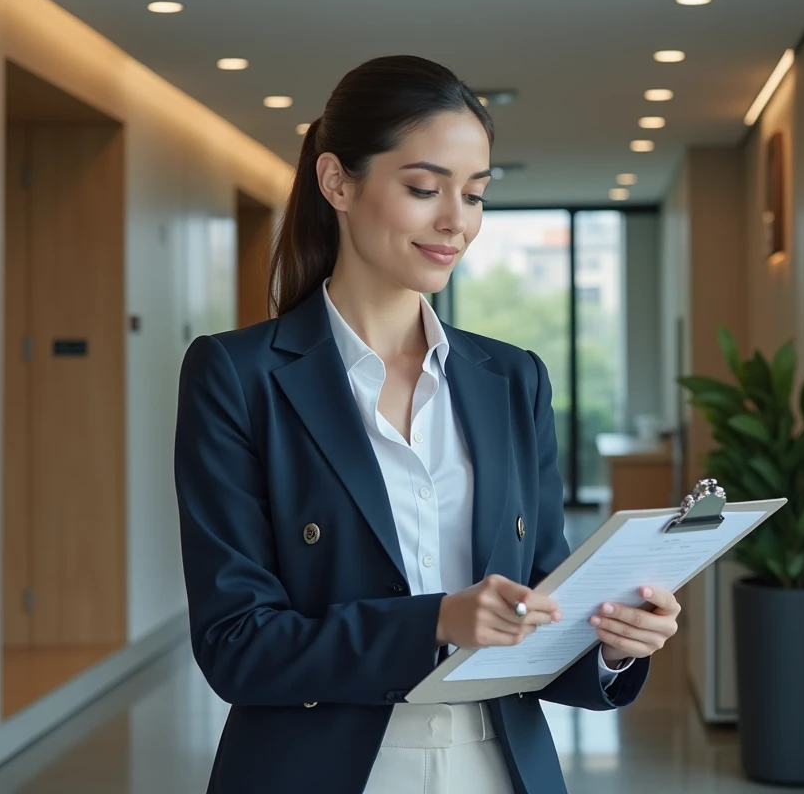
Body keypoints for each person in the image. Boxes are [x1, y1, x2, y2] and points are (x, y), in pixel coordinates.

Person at [173, 55, 681, 794]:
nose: (456, 221)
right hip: (318, 770)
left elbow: (543, 601)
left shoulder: (515, 379)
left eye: (474, 195)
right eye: (423, 188)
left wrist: (613, 643)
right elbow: (236, 645)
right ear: (337, 182)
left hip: (499, 767)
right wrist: (436, 621)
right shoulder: (236, 376)